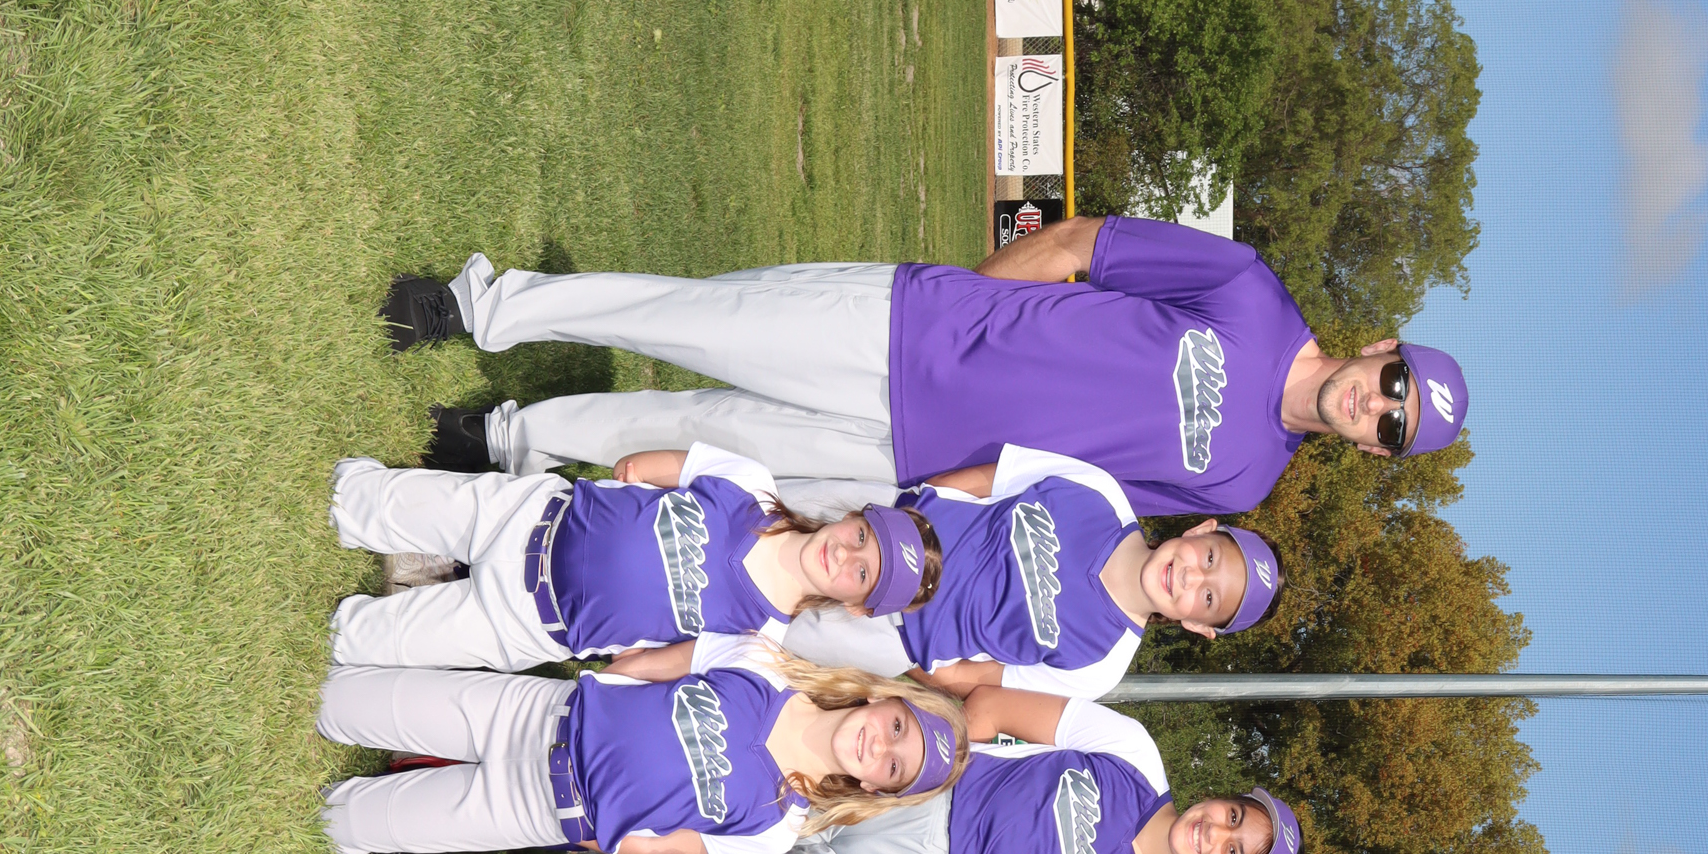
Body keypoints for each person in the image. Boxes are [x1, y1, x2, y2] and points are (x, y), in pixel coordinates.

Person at [376, 215, 1470, 518]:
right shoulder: (1247, 292)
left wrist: (934, 500)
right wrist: (968, 302)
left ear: (1377, 452)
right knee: (693, 319)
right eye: (1394, 383)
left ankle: (506, 439)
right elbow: (1082, 245)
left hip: (907, 455)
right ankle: (481, 307)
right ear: (1382, 348)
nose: (1375, 406)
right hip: (911, 330)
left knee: (692, 436)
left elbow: (1071, 496)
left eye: (1395, 425)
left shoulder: (1242, 484)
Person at [643, 446, 1281, 696]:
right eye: (1209, 559)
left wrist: (900, 652)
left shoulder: (1101, 664)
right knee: (749, 524)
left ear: (1199, 627)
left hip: (888, 633)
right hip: (883, 531)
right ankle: (633, 510)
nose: (1190, 578)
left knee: (741, 638)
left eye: (1209, 598)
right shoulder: (1101, 496)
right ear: (1200, 530)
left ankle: (629, 647)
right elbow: (988, 478)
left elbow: (976, 677)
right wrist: (913, 510)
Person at [314, 649, 967, 854]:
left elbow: (661, 846)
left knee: (343, 824)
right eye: (896, 727)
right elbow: (654, 665)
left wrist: (588, 828)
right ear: (885, 698)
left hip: (543, 807)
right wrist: (600, 687)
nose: (879, 745)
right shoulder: (768, 665)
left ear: (877, 790)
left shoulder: (777, 827)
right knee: (336, 700)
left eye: (894, 766)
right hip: (538, 714)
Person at [794, 684, 1302, 854]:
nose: (1215, 832)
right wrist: (916, 763)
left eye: (1232, 853)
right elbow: (992, 707)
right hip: (920, 787)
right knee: (778, 797)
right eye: (1233, 815)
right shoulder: (1135, 753)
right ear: (1220, 798)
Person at [326, 445, 939, 671]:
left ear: (857, 607)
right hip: (530, 517)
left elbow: (664, 663)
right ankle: (417, 551)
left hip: (530, 621)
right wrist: (643, 470)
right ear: (854, 516)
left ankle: (416, 585)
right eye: (863, 535)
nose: (846, 554)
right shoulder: (752, 487)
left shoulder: (759, 639)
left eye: (864, 574)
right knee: (346, 498)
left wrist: (628, 669)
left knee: (352, 642)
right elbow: (680, 467)